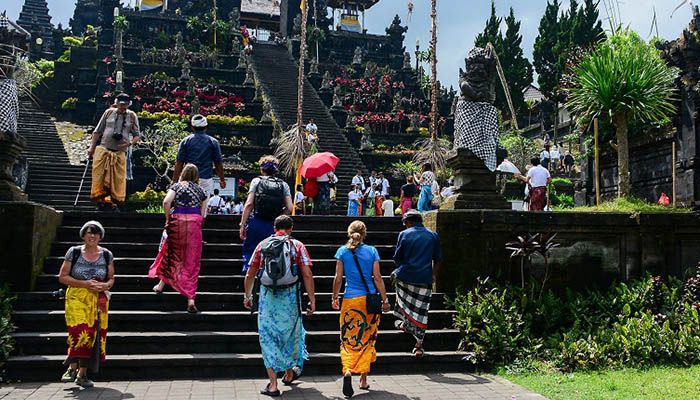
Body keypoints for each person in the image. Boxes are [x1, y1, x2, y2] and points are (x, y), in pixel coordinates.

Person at [243, 215, 316, 397]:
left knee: (268, 338)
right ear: (291, 228)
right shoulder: (297, 246)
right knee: (290, 335)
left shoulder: (263, 245)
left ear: (274, 227)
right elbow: (307, 274)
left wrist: (247, 296)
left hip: (268, 298)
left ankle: (274, 385)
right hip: (290, 298)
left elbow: (250, 273)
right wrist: (312, 300)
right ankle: (289, 372)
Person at [332, 221, 391, 398]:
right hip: (369, 300)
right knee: (368, 337)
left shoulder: (342, 251)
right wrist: (385, 299)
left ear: (349, 233)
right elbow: (378, 278)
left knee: (348, 338)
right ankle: (363, 379)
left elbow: (338, 278)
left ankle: (348, 370)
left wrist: (335, 296)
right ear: (364, 233)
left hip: (350, 300)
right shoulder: (372, 251)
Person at [58, 221, 115, 388]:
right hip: (77, 297)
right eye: (89, 233)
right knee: (79, 331)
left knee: (92, 334)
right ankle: (71, 366)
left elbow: (111, 278)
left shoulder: (106, 255)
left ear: (100, 236)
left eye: (96, 233)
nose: (92, 236)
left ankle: (82, 374)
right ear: (83, 235)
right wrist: (85, 284)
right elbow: (62, 277)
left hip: (98, 299)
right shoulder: (74, 252)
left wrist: (106, 285)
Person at [149, 164, 208, 313]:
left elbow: (166, 202)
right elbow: (203, 213)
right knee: (192, 261)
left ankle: (160, 286)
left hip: (177, 222)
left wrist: (168, 219)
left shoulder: (176, 187)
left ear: (183, 173)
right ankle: (190, 299)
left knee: (170, 252)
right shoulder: (202, 190)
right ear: (196, 176)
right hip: (194, 223)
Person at [392, 210, 442, 357]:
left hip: (406, 276)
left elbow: (397, 258)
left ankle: (406, 323)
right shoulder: (433, 235)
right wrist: (433, 275)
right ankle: (418, 344)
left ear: (409, 222)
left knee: (403, 300)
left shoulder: (404, 234)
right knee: (422, 311)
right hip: (424, 277)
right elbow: (438, 259)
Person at [240, 156, 293, 272]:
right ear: (276, 170)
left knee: (251, 251)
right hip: (274, 224)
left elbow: (249, 204)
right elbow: (290, 207)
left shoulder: (256, 181)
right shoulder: (283, 185)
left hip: (256, 221)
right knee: (271, 252)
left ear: (262, 169)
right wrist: (280, 216)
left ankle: (249, 275)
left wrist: (242, 224)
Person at [88, 93, 140, 211]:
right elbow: (97, 131)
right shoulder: (108, 112)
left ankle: (113, 203)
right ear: (116, 103)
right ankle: (101, 201)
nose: (122, 107)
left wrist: (130, 143)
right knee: (100, 177)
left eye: (125, 105)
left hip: (119, 152)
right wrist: (92, 148)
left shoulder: (132, 116)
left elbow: (137, 135)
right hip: (104, 150)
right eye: (121, 104)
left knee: (117, 180)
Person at [172, 114, 226, 197]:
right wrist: (222, 180)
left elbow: (179, 162)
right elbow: (218, 163)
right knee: (203, 204)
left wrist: (174, 181)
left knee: (185, 201)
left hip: (187, 178)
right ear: (206, 127)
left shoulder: (185, 141)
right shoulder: (213, 142)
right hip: (205, 178)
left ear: (192, 127)